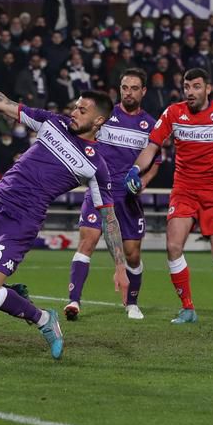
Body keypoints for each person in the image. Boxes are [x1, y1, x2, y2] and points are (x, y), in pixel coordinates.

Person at [0, 57, 123, 360]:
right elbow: (1, 102)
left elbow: (109, 218)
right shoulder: (53, 122)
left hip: (21, 220)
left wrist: (120, 266)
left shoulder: (96, 166)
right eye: (75, 106)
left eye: (82, 110)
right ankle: (9, 291)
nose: (74, 112)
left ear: (98, 121)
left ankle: (44, 319)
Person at [125, 68, 213, 324]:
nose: (190, 92)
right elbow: (152, 146)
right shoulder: (173, 112)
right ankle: (188, 308)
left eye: (196, 86)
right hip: (184, 189)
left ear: (208, 88)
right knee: (173, 247)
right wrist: (136, 169)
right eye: (187, 86)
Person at [66, 68, 157, 322]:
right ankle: (74, 301)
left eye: (134, 88)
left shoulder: (150, 125)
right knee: (87, 242)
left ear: (143, 91)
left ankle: (132, 303)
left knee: (132, 254)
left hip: (128, 198)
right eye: (125, 88)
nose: (128, 93)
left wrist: (144, 182)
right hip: (99, 190)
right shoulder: (105, 115)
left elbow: (156, 162)